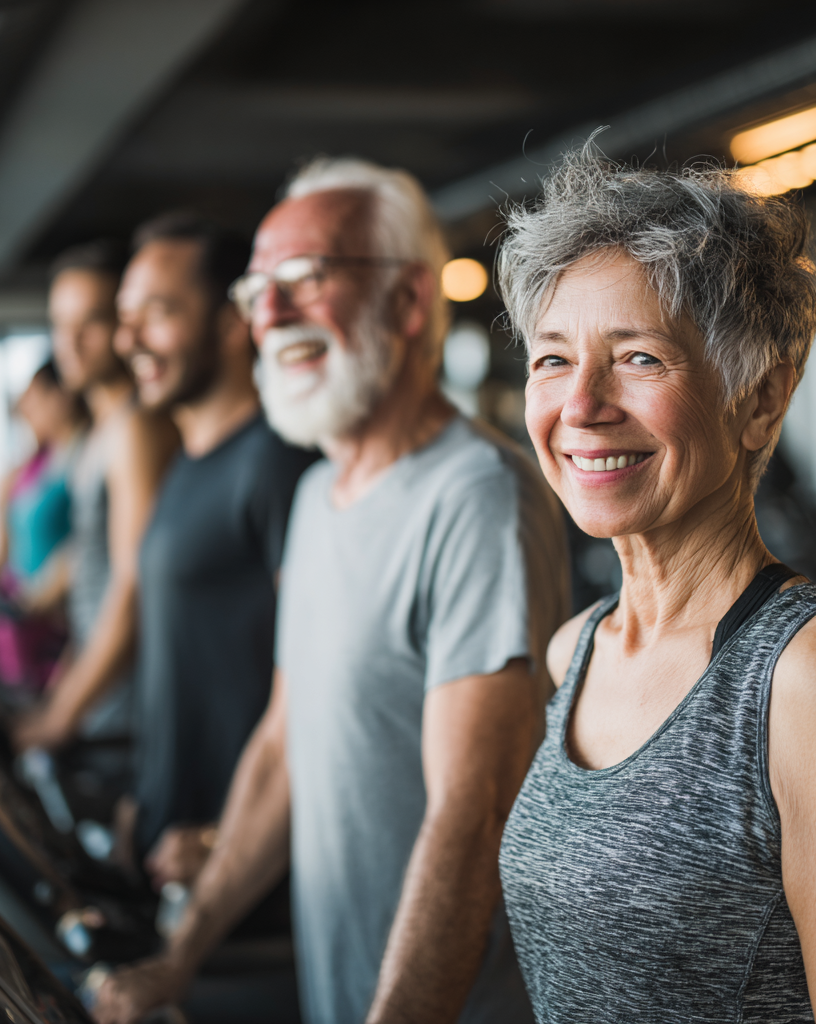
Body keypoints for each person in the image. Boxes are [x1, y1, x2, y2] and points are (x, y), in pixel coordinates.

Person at [93, 159, 570, 1024]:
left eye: (307, 278)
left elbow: (472, 818)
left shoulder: (475, 495)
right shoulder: (318, 494)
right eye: (258, 291)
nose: (271, 314)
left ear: (409, 301)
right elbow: (285, 744)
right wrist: (180, 955)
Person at [494, 146, 816, 1022]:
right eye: (553, 360)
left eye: (638, 358)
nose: (580, 405)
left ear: (761, 401)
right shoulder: (575, 651)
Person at [111, 211, 317, 871]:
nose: (127, 339)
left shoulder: (276, 462)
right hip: (167, 834)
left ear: (233, 323)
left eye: (157, 313)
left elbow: (320, 689)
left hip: (235, 859)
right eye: (125, 316)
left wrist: (227, 839)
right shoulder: (187, 459)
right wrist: (144, 789)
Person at [12, 242, 178, 749]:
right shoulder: (98, 434)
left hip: (128, 703)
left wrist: (61, 716)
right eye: (60, 324)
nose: (70, 343)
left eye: (91, 323)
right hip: (101, 692)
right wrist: (63, 692)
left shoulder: (135, 428)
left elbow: (133, 588)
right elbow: (93, 579)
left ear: (124, 325)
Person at [0, 360, 86, 688]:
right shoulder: (31, 467)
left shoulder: (83, 457)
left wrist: (42, 595)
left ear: (62, 396)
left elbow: (84, 541)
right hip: (18, 616)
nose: (26, 411)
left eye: (36, 400)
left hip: (57, 619)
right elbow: (5, 549)